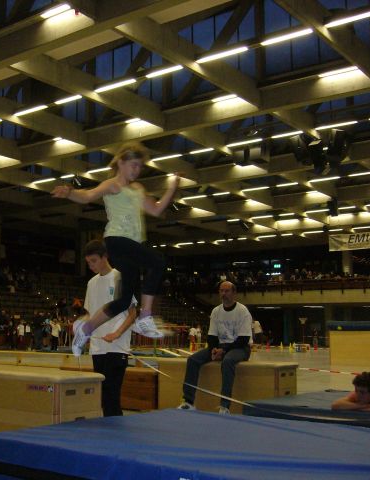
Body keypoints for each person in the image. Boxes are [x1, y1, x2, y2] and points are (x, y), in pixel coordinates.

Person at [52, 141, 180, 355]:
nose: (137, 170)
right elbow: (88, 195)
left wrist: (172, 188)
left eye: (140, 166)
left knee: (123, 301)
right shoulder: (113, 185)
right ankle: (145, 317)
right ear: (121, 163)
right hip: (117, 239)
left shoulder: (138, 189)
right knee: (158, 262)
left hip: (133, 245)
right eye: (133, 165)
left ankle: (86, 328)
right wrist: (70, 192)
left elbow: (156, 210)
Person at [178, 281, 252, 415]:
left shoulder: (242, 311)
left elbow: (243, 339)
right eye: (221, 291)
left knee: (228, 361)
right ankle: (188, 402)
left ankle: (224, 406)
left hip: (240, 348)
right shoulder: (216, 311)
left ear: (234, 293)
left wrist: (223, 351)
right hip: (220, 347)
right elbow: (212, 336)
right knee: (193, 360)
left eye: (227, 291)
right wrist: (213, 349)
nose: (223, 294)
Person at [83, 239, 137, 417]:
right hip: (97, 347)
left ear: (104, 257)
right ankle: (108, 431)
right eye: (88, 263)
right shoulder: (91, 283)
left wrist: (117, 333)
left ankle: (115, 432)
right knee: (103, 397)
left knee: (111, 395)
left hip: (117, 346)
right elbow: (90, 314)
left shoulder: (120, 278)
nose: (91, 266)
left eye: (94, 261)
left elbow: (132, 314)